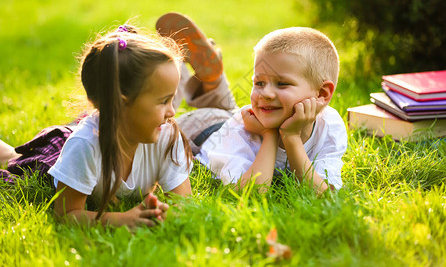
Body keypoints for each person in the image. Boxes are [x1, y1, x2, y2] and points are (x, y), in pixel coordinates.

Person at [158, 14, 347, 194]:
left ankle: (212, 81)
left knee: (229, 111)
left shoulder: (329, 125)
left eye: (282, 84)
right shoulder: (239, 130)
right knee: (160, 115)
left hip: (234, 118)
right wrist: (269, 134)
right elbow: (253, 192)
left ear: (322, 94)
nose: (265, 93)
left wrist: (290, 137)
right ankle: (171, 63)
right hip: (199, 131)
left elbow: (323, 194)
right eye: (259, 83)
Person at [46, 26, 195, 228]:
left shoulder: (167, 137)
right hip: (65, 146)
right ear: (121, 104)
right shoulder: (84, 147)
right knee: (37, 153)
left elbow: (184, 204)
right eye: (163, 101)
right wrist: (122, 220)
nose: (172, 112)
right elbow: (65, 215)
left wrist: (163, 214)